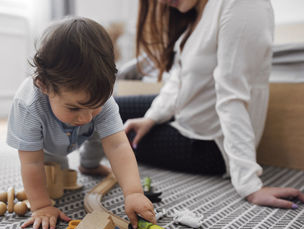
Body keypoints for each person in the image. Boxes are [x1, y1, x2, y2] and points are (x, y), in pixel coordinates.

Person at [116, 0, 304, 209]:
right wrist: (151, 118)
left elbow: (232, 97)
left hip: (208, 143)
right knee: (108, 107)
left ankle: (89, 163)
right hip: (182, 116)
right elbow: (178, 81)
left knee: (114, 139)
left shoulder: (242, 5)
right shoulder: (199, 11)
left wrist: (249, 185)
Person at [6, 17, 155, 229]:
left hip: (87, 135)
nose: (85, 117)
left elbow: (117, 146)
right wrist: (41, 206)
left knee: (100, 136)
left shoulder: (102, 102)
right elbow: (31, 163)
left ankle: (89, 164)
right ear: (44, 85)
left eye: (95, 106)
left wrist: (133, 192)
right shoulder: (28, 106)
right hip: (48, 142)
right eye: (74, 108)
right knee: (53, 172)